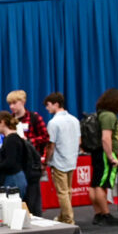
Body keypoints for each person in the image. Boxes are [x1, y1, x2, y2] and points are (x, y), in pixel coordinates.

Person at [43, 92, 81, 224]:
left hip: (59, 161)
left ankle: (69, 220)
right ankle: (63, 216)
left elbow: (51, 145)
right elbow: (79, 141)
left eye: (48, 105)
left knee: (63, 192)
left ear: (56, 104)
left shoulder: (53, 123)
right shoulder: (75, 120)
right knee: (68, 191)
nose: (47, 108)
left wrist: (46, 161)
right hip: (72, 160)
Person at [90, 88, 118, 225]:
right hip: (105, 153)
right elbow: (106, 138)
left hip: (97, 152)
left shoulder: (100, 114)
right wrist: (111, 157)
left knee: (94, 184)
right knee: (101, 184)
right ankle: (105, 214)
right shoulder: (109, 116)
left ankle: (98, 214)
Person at [0, 111, 28, 199]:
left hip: (13, 178)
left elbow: (10, 162)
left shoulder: (11, 140)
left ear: (2, 122)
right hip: (14, 176)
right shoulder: (11, 138)